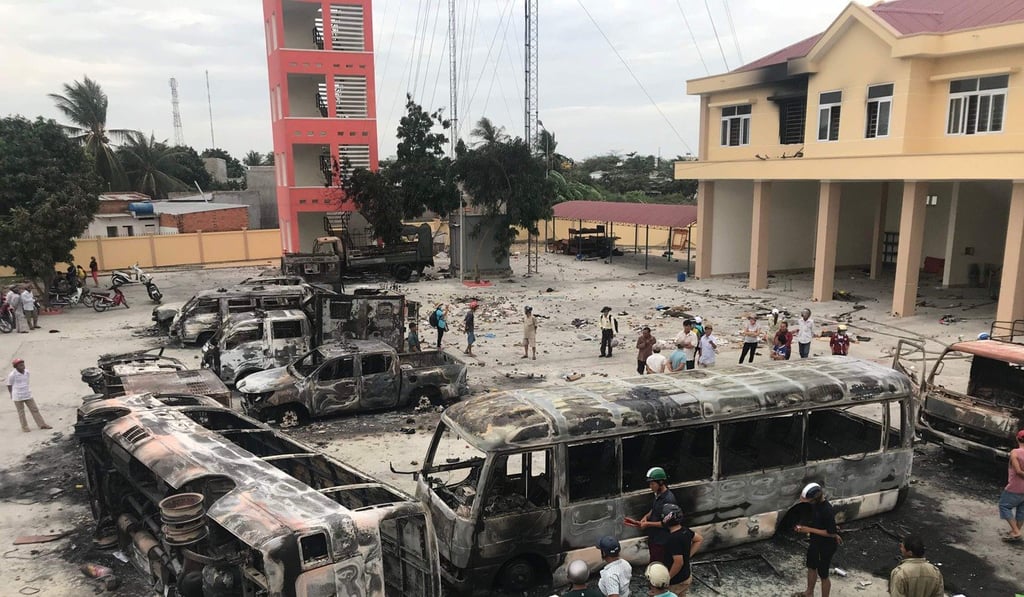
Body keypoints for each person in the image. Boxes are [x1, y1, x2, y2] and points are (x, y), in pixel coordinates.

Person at [794, 482, 842, 597]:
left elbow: (831, 533)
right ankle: (809, 593)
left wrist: (808, 529)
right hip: (815, 543)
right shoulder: (815, 505)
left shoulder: (827, 510)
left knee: (823, 574)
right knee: (811, 566)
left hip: (825, 546)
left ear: (815, 499)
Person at [625, 467, 677, 564]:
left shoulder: (669, 500)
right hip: (654, 537)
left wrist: (648, 524)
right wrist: (646, 517)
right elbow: (655, 509)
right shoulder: (658, 494)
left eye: (652, 483)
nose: (650, 486)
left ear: (661, 482)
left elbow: (666, 523)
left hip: (662, 540)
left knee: (658, 564)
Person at [660, 504, 703, 596]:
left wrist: (667, 579)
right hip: (686, 576)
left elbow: (678, 563)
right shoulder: (685, 530)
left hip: (676, 580)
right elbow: (699, 539)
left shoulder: (673, 539)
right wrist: (687, 556)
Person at [6, 358, 52, 433]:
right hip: (18, 396)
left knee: (35, 409)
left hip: (27, 394)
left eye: (23, 364)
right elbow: (9, 385)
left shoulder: (27, 372)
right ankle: (25, 427)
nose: (22, 365)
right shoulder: (12, 375)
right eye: (20, 365)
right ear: (16, 366)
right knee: (21, 412)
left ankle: (42, 424)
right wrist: (11, 393)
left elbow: (27, 382)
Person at [999, 429, 1024, 542]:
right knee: (1022, 510)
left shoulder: (1015, 452)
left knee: (1004, 506)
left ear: (1017, 438)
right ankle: (1015, 532)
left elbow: (1018, 471)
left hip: (1015, 486)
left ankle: (1016, 531)